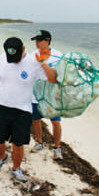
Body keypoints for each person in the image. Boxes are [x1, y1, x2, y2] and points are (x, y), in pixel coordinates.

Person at [0, 37, 57, 182]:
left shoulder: (33, 62)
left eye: (16, 57)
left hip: (22, 110)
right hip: (1, 104)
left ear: (24, 49)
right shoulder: (3, 57)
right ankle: (2, 158)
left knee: (18, 144)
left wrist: (43, 63)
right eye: (10, 57)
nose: (13, 60)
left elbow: (52, 79)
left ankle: (16, 169)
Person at [30, 30, 64, 160]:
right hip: (35, 95)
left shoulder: (58, 56)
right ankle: (39, 143)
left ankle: (57, 148)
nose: (37, 43)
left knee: (56, 122)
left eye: (39, 40)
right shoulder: (32, 55)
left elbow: (60, 75)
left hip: (52, 96)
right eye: (36, 41)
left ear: (47, 41)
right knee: (36, 120)